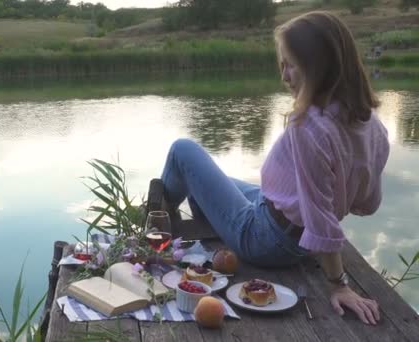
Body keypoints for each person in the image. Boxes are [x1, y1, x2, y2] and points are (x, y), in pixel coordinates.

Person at [160, 11, 389, 325]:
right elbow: (367, 201)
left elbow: (319, 216)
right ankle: (209, 235)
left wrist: (339, 285)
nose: (284, 76)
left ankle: (158, 222)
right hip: (287, 228)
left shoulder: (309, 127)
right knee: (206, 180)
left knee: (183, 151)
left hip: (267, 240)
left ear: (317, 67)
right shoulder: (371, 125)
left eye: (290, 65)